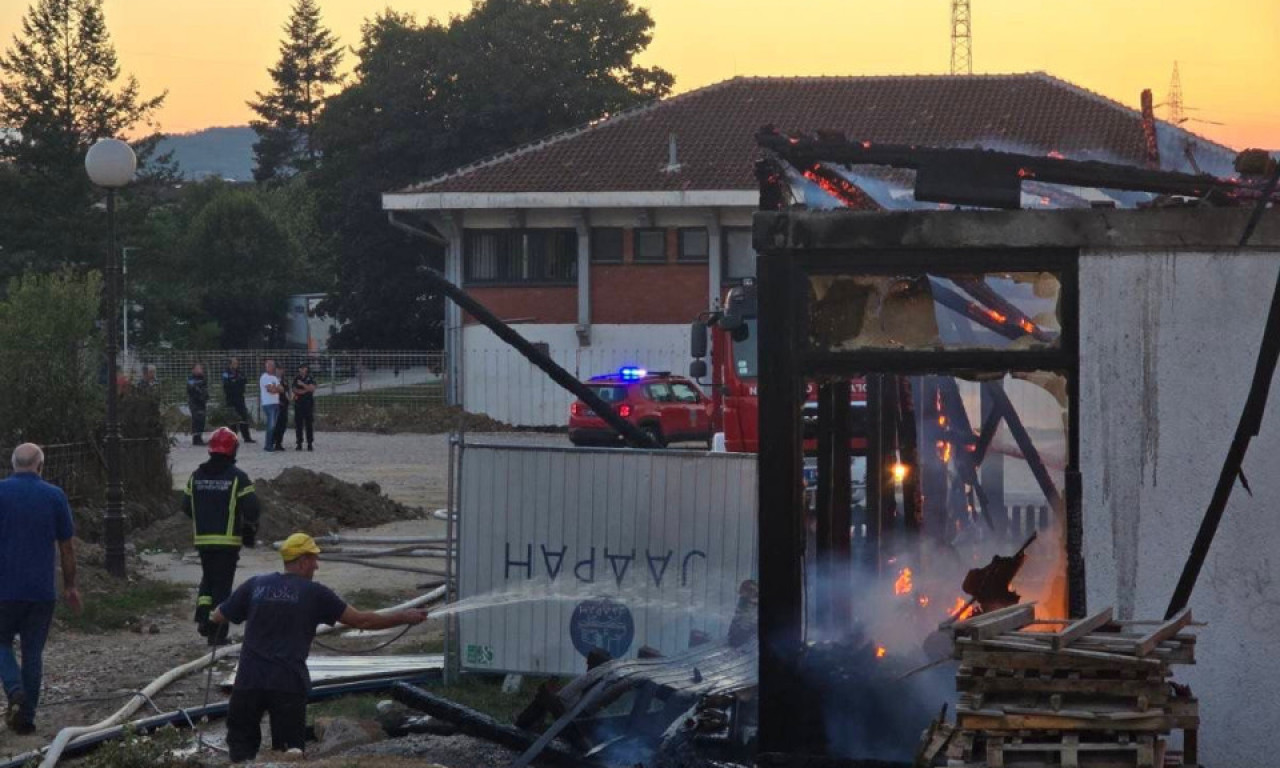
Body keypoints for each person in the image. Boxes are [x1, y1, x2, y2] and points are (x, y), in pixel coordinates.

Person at [211, 533, 427, 762]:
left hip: (248, 681)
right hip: (287, 683)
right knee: (289, 753)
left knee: (241, 751)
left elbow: (218, 616)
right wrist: (404, 616)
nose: (317, 565)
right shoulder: (315, 593)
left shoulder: (255, 584)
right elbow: (362, 621)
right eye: (313, 558)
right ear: (302, 561)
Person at [0, 444, 81, 735]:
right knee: (33, 652)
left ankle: (13, 688)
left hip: (4, 589)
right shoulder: (54, 496)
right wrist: (70, 586)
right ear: (40, 466)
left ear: (13, 464)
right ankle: (27, 718)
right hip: (40, 590)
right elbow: (67, 547)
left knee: (1, 643)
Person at [183, 427, 260, 646]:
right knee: (222, 587)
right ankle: (217, 633)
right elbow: (253, 509)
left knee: (208, 580)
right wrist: (248, 528)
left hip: (203, 541)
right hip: (227, 542)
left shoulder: (196, 476)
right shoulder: (237, 478)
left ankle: (204, 618)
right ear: (232, 450)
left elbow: (186, 506)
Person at [221, 357, 256, 444]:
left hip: (240, 398)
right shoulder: (226, 373)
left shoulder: (240, 372)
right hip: (230, 399)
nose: (236, 365)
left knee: (244, 417)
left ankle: (247, 437)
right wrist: (236, 382)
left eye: (237, 363)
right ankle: (232, 438)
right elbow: (227, 385)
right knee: (232, 419)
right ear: (230, 364)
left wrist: (235, 382)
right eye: (234, 363)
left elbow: (244, 380)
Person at [259, 360, 283, 453]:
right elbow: (271, 390)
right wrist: (276, 388)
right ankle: (268, 445)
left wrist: (275, 388)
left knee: (273, 426)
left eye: (273, 365)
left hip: (275, 403)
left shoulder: (274, 377)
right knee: (270, 425)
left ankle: (271, 443)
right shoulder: (264, 377)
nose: (272, 367)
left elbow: (281, 389)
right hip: (268, 404)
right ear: (266, 366)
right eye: (270, 365)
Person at [292, 364, 317, 451]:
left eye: (304, 368)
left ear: (306, 369)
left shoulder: (310, 378)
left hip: (308, 404)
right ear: (299, 369)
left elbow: (313, 388)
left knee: (309, 424)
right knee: (298, 425)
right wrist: (306, 389)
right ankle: (299, 443)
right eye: (301, 368)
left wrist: (303, 384)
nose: (302, 370)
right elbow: (295, 390)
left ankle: (310, 443)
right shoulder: (296, 378)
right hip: (298, 404)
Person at [187, 363, 209, 446]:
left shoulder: (203, 378)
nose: (200, 370)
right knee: (197, 419)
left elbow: (204, 388)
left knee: (202, 420)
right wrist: (199, 384)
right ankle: (196, 439)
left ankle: (199, 437)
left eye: (201, 368)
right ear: (193, 370)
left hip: (202, 401)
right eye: (198, 368)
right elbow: (191, 387)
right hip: (194, 402)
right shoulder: (190, 378)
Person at [272, 371, 291, 452]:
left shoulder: (284, 380)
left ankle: (279, 442)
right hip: (276, 405)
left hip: (284, 405)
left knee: (283, 424)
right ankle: (273, 441)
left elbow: (287, 391)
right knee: (275, 425)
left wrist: (289, 398)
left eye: (280, 369)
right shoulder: (272, 380)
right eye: (277, 369)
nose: (279, 371)